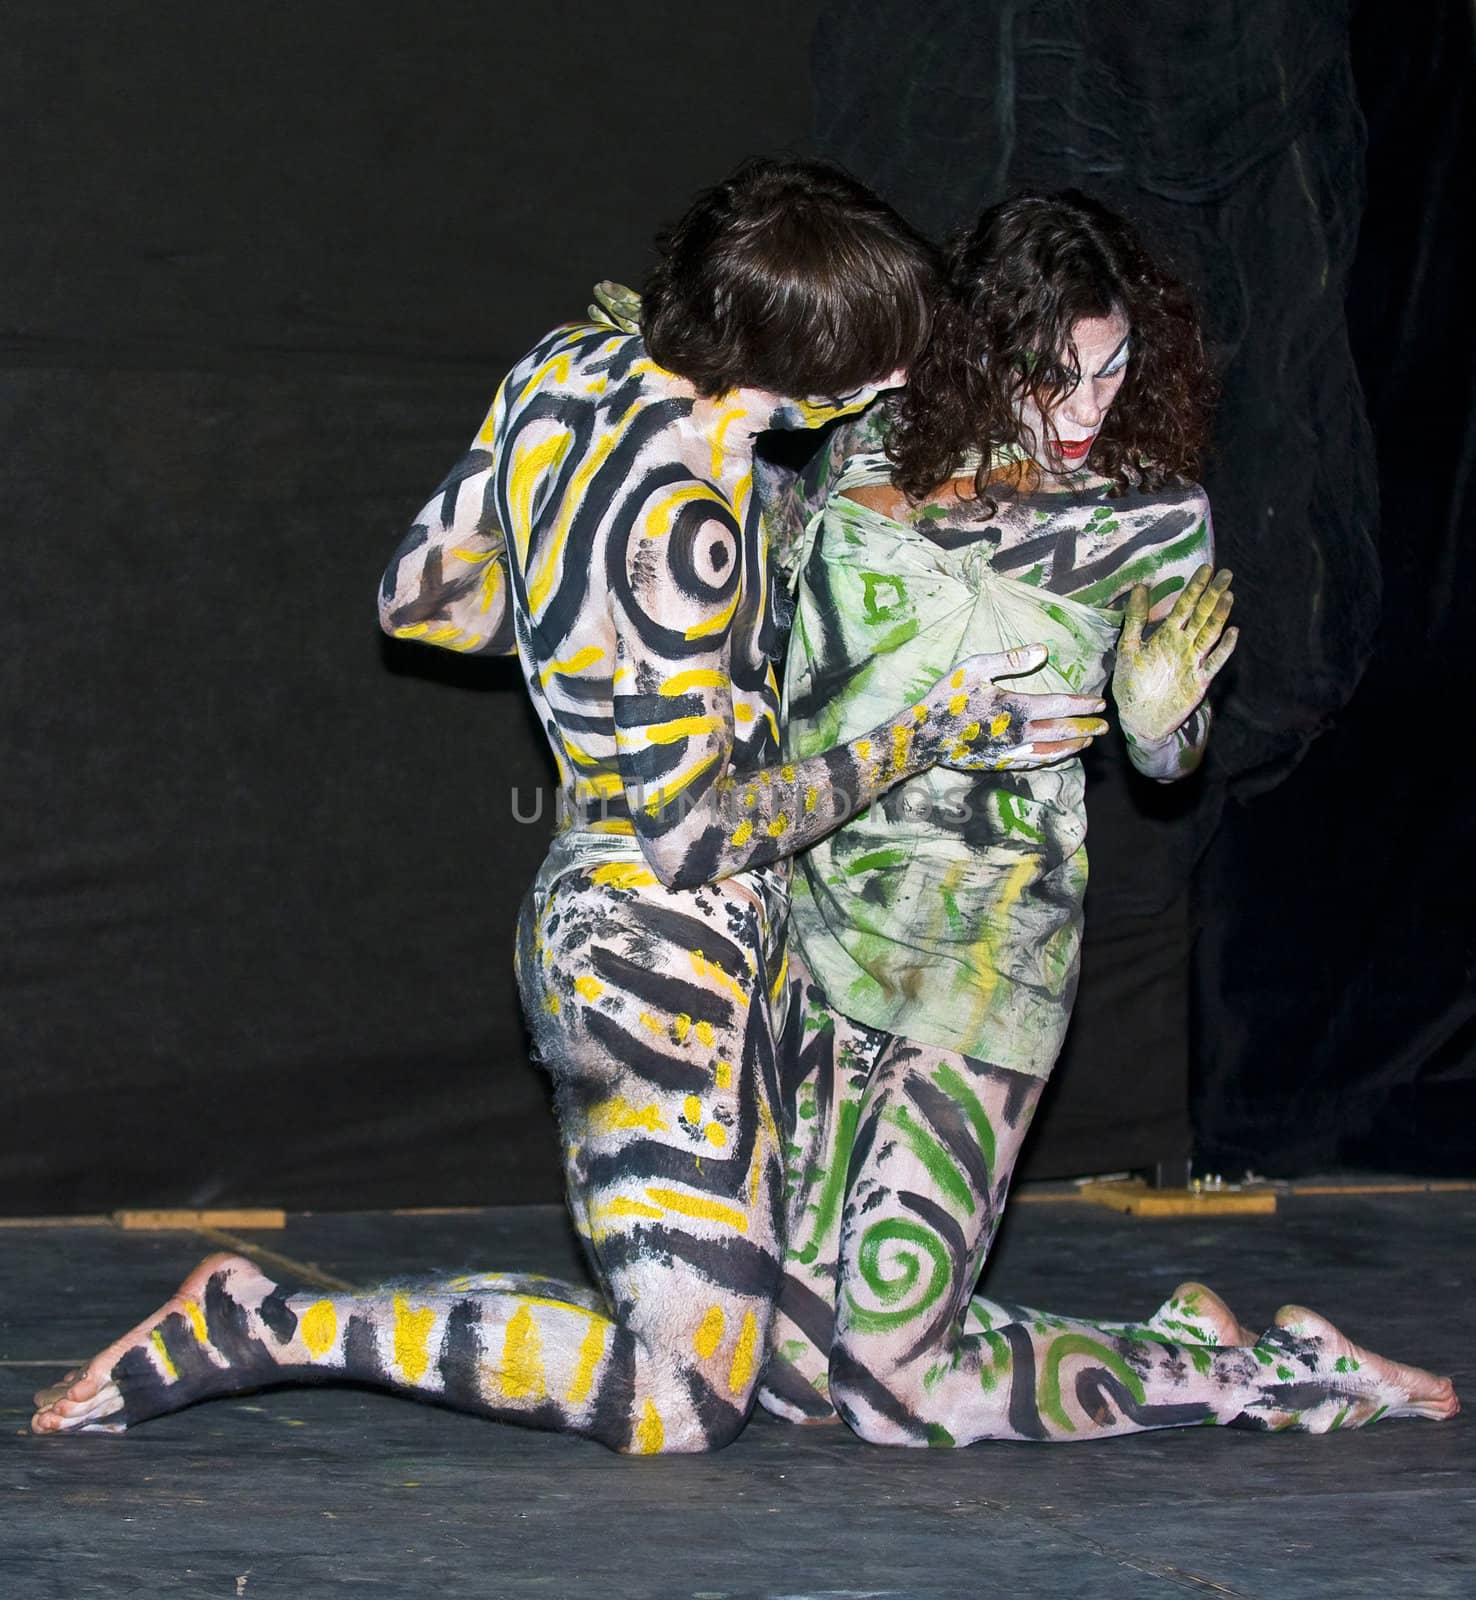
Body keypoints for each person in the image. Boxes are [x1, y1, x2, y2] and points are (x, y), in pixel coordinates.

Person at [31, 161, 1109, 1451]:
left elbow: (421, 600)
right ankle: (269, 1326)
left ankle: (279, 1318)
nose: (888, 389)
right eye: (873, 372)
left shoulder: (565, 368)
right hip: (661, 945)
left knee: (754, 1354)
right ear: (796, 370)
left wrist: (580, 632)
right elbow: (697, 832)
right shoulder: (691, 526)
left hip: (634, 927)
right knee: (683, 1403)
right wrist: (939, 727)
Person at [755, 190, 1460, 1442]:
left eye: (1114, 369)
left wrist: (1160, 714)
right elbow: (783, 690)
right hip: (823, 939)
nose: (1088, 409)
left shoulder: (1147, 520)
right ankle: (1187, 1341)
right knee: (792, 1369)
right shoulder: (856, 458)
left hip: (985, 955)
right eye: (1055, 374)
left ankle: (1285, 1385)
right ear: (980, 349)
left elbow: (1170, 757)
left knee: (884, 1392)